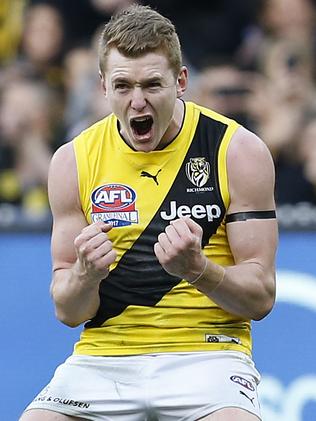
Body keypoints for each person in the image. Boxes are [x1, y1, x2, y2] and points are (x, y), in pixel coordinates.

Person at [20, 4, 278, 421]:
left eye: (152, 85)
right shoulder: (74, 160)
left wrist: (198, 268)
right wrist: (85, 274)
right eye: (122, 86)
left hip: (207, 354)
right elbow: (68, 312)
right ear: (103, 86)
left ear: (181, 81)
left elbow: (261, 298)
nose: (137, 102)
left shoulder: (236, 151)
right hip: (104, 359)